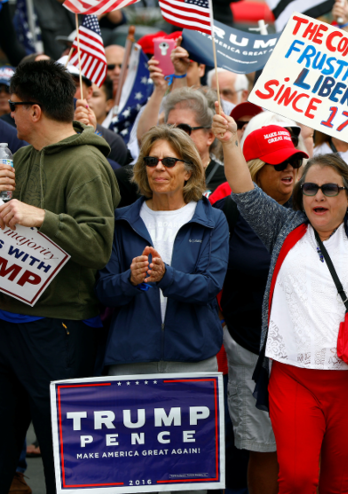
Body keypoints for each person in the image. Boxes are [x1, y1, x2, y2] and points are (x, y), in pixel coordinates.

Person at [216, 103, 348, 493]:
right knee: (296, 478)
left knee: (341, 483)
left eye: (329, 188)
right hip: (292, 377)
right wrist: (229, 142)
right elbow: (242, 189)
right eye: (310, 188)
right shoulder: (281, 226)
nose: (318, 196)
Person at [0, 59, 120, 494]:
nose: (8, 114)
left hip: (59, 329)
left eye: (13, 105)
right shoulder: (20, 157)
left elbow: (95, 245)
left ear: (35, 111)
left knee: (63, 460)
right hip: (8, 320)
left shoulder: (87, 164)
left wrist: (43, 217)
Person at [212, 126, 308, 494]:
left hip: (304, 352)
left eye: (295, 161)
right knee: (261, 449)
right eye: (279, 163)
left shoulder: (311, 207)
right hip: (247, 348)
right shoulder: (228, 212)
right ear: (252, 169)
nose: (290, 169)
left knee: (302, 452)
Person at [95, 125, 228, 377]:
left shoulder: (213, 219)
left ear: (188, 171)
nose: (159, 167)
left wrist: (166, 276)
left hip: (194, 358)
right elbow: (103, 291)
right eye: (151, 160)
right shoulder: (121, 221)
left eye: (169, 161)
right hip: (131, 358)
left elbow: (210, 285)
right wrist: (130, 279)